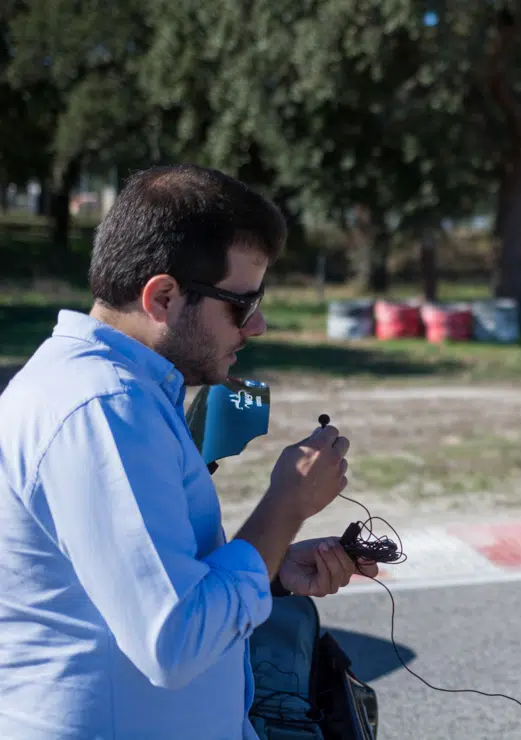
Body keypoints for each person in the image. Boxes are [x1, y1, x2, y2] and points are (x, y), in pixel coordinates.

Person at [0, 164, 376, 739]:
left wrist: (269, 568)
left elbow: (143, 582)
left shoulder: (124, 392)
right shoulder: (102, 408)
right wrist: (284, 506)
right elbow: (173, 641)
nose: (258, 325)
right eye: (242, 304)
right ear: (164, 296)